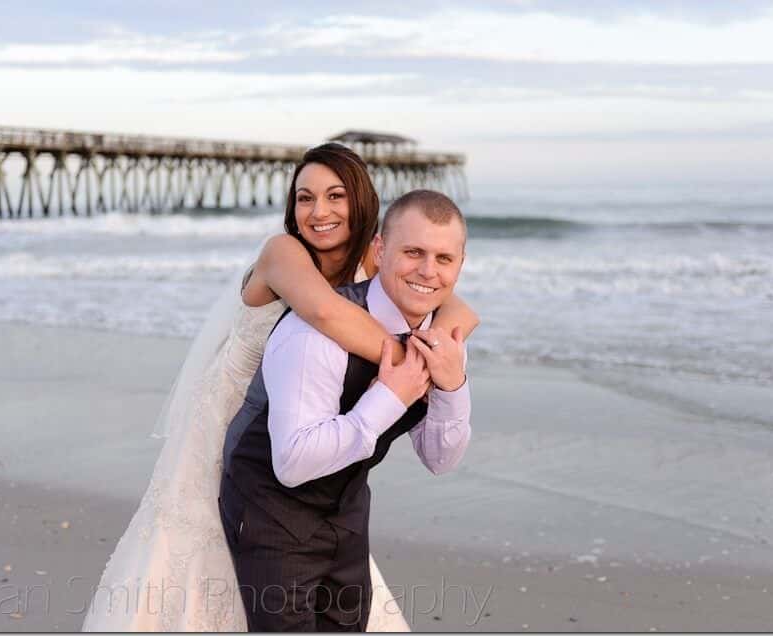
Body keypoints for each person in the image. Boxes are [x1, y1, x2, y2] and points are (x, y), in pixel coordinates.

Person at [81, 146, 478, 631]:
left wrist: (446, 355)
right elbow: (327, 314)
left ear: (363, 207)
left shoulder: (385, 266)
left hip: (311, 441)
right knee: (202, 557)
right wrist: (412, 365)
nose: (319, 211)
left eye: (336, 197)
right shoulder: (283, 253)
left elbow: (457, 306)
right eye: (304, 198)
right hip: (229, 423)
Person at [219, 189, 472, 631]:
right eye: (413, 252)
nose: (428, 271)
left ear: (460, 266)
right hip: (269, 507)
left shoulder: (442, 342)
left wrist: (453, 386)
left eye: (444, 258)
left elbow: (440, 459)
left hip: (347, 509)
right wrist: (389, 398)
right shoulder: (312, 334)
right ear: (379, 249)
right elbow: (292, 464)